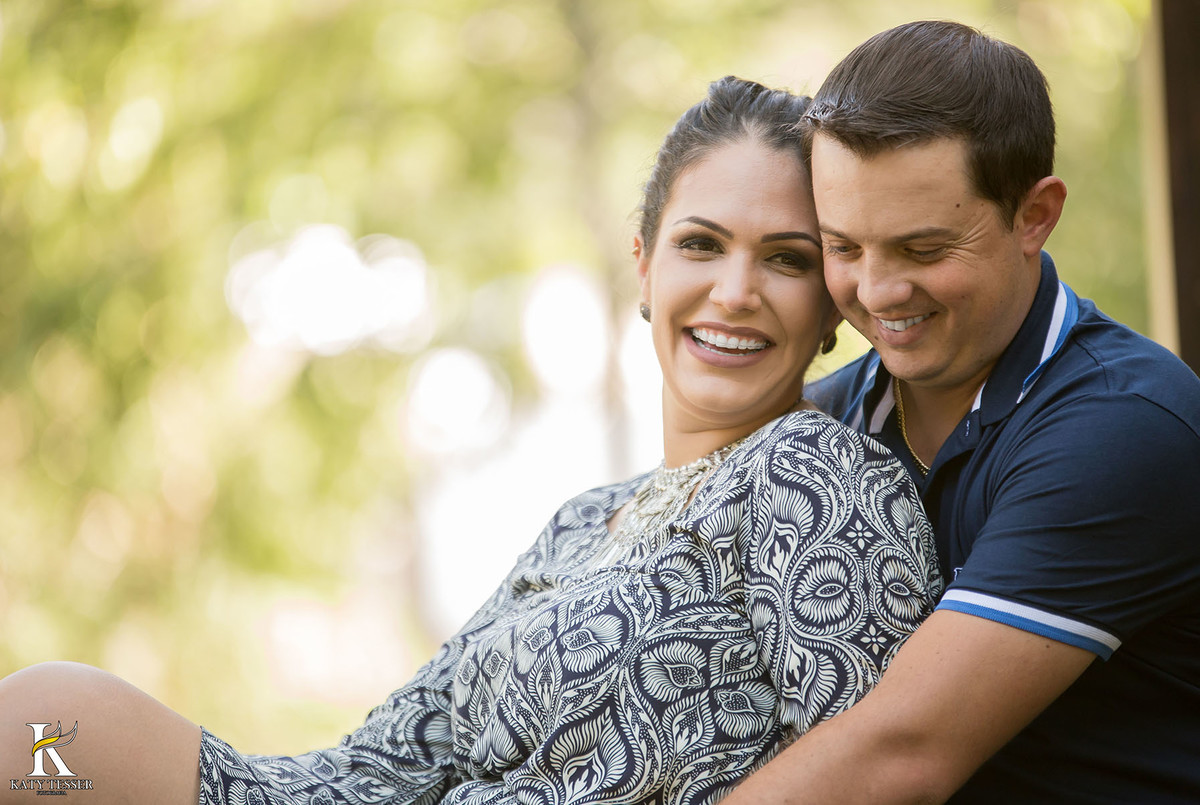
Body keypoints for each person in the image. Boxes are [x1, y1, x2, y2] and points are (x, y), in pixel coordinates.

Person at [0, 76, 941, 805]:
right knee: (41, 737)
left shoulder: (822, 479)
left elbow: (873, 773)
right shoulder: (588, 519)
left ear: (833, 307)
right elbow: (383, 764)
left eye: (785, 259)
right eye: (702, 244)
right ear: (645, 268)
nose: (736, 290)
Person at [721, 20, 1200, 805]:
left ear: (1035, 215)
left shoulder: (1126, 423)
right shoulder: (816, 427)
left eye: (923, 249)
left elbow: (903, 753)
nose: (876, 293)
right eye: (843, 247)